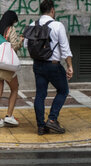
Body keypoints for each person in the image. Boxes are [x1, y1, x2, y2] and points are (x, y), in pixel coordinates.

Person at [24, 0, 73, 135]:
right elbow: (65, 49)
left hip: (38, 65)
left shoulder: (33, 25)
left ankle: (41, 126)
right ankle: (52, 119)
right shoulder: (57, 25)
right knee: (63, 90)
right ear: (52, 10)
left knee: (40, 94)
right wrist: (69, 66)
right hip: (53, 65)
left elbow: (25, 45)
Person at [0, 10, 24, 128]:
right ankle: (9, 116)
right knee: (15, 89)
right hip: (7, 67)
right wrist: (21, 42)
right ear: (12, 21)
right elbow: (14, 47)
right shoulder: (11, 30)